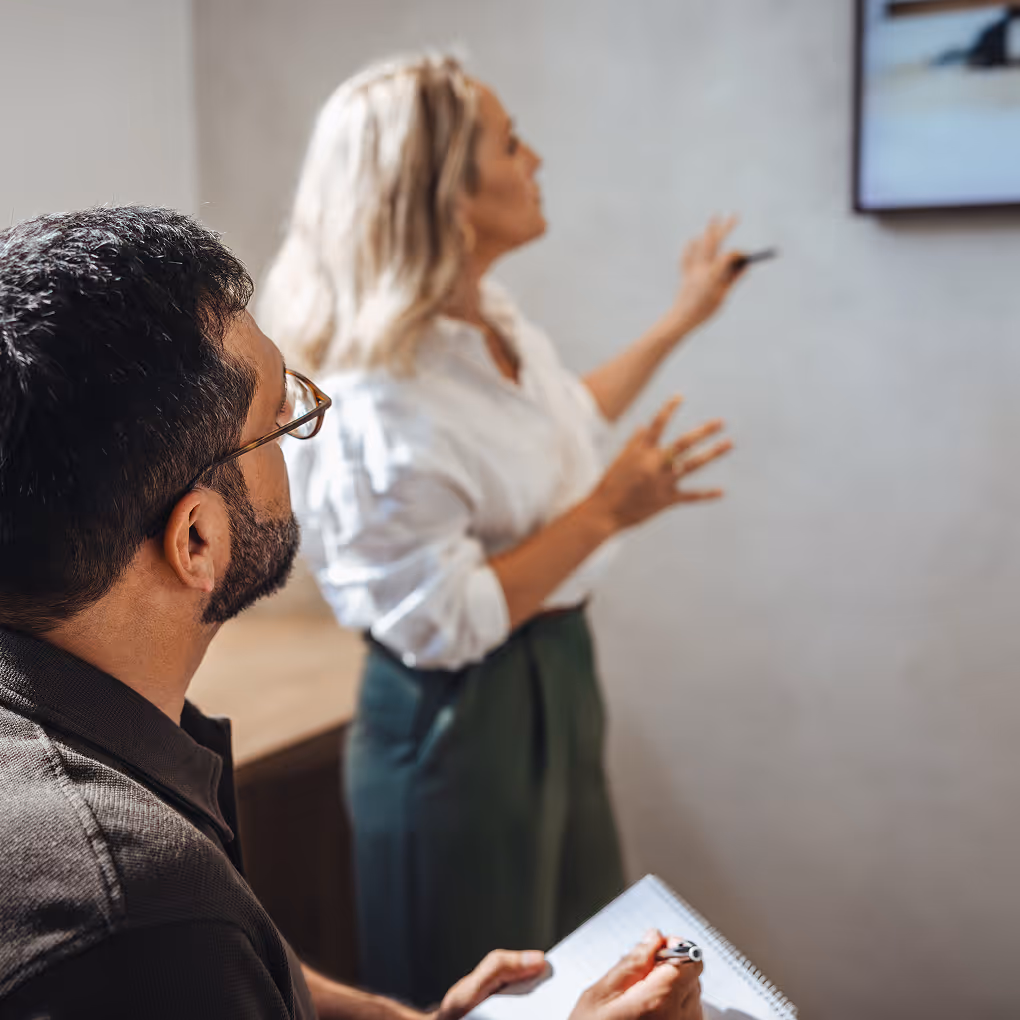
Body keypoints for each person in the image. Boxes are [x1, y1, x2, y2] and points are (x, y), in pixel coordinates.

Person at [0, 205, 704, 1020]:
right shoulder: (138, 911)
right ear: (197, 538)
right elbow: (171, 946)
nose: (301, 440)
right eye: (276, 424)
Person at [260, 55, 744, 1007]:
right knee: (489, 985)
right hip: (461, 719)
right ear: (441, 191)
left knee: (587, 962)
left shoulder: (487, 329)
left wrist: (681, 318)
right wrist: (612, 506)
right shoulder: (375, 397)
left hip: (556, 672)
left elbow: (559, 421)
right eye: (512, 141)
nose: (538, 158)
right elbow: (443, 617)